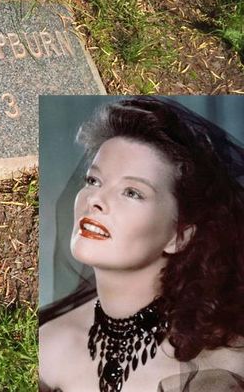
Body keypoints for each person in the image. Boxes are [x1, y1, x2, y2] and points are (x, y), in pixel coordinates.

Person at [39, 96, 244, 392]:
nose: (95, 200)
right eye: (93, 180)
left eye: (132, 192)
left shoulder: (224, 369)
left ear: (179, 235)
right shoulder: (48, 343)